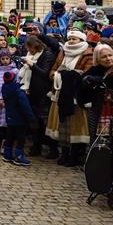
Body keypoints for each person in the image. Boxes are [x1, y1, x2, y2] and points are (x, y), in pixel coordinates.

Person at [78, 44, 113, 209]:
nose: (109, 59)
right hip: (99, 118)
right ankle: (103, 183)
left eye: (110, 55)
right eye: (104, 57)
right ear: (97, 59)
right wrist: (86, 84)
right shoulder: (94, 73)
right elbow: (82, 99)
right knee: (101, 151)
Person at [45, 29, 94, 167]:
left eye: (75, 39)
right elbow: (54, 69)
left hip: (76, 96)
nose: (71, 41)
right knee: (62, 125)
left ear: (82, 40)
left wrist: (67, 74)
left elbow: (86, 74)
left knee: (76, 126)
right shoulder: (63, 52)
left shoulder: (88, 53)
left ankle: (74, 155)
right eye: (70, 38)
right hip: (60, 93)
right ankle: (64, 153)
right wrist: (55, 74)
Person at [18, 36, 56, 158]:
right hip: (32, 91)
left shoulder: (47, 55)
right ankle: (36, 146)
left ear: (36, 46)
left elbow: (44, 73)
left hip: (43, 93)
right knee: (34, 122)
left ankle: (52, 148)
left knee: (44, 122)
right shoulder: (31, 55)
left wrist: (31, 65)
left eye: (31, 48)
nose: (30, 51)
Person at [1, 71, 36, 166]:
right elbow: (25, 106)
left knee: (10, 137)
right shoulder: (18, 92)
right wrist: (31, 118)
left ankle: (7, 155)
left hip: (9, 117)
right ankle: (19, 156)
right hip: (20, 119)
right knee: (20, 138)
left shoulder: (5, 88)